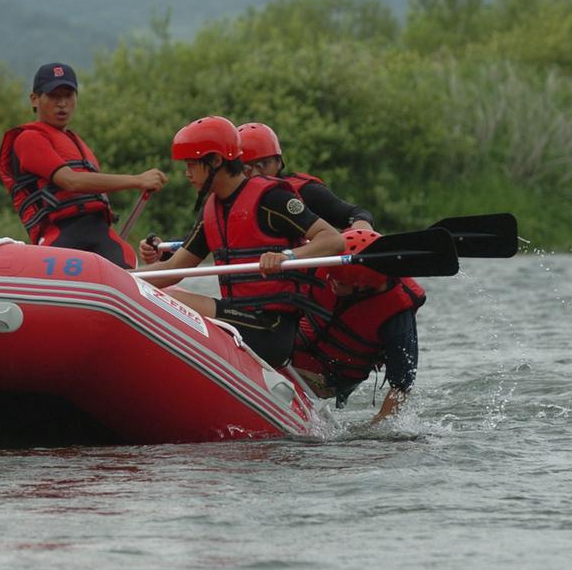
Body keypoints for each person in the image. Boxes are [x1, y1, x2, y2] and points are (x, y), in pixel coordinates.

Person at [137, 116, 343, 368]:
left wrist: (288, 256)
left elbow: (333, 240)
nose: (186, 173)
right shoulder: (212, 210)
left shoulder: (272, 199)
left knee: (176, 300)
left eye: (192, 164)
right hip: (237, 318)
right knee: (162, 293)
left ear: (215, 161)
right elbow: (172, 270)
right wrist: (122, 276)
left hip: (271, 330)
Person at [0, 62, 168, 268]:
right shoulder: (28, 139)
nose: (62, 103)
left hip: (100, 234)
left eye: (68, 96)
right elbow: (71, 181)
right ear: (34, 99)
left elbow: (92, 190)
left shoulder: (77, 143)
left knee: (134, 267)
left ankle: (172, 267)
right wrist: (137, 180)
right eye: (54, 96)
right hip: (61, 238)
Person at [291, 228, 426, 424]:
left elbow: (402, 383)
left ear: (362, 287)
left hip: (327, 378)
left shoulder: (396, 314)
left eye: (339, 281)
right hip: (288, 352)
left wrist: (380, 422)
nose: (331, 281)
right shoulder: (326, 262)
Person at [238, 122, 376, 232]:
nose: (255, 174)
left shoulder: (306, 191)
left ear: (279, 162)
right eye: (246, 168)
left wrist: (361, 225)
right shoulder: (225, 200)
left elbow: (356, 213)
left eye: (263, 164)